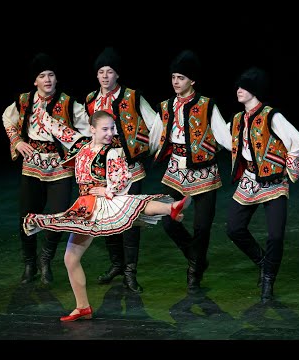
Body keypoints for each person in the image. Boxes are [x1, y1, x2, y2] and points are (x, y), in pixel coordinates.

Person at [23, 110, 191, 322]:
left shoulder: (112, 152)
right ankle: (82, 307)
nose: (110, 133)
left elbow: (122, 177)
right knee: (70, 259)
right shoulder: (81, 144)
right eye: (105, 129)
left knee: (131, 203)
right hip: (84, 206)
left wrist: (108, 190)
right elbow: (61, 131)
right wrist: (39, 112)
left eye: (112, 129)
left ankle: (172, 208)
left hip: (100, 203)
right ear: (92, 129)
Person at [2, 52, 90, 285]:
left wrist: (73, 148)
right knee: (26, 214)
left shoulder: (69, 103)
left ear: (56, 78)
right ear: (35, 81)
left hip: (59, 167)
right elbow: (7, 118)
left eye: (51, 75)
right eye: (42, 76)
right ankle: (29, 263)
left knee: (58, 215)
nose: (48, 79)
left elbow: (86, 132)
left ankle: (45, 259)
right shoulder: (24, 101)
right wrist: (17, 141)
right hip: (32, 165)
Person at [149, 49, 232, 294]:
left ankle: (194, 271)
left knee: (202, 227)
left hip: (204, 172)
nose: (176, 82)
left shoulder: (206, 105)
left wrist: (248, 152)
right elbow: (155, 136)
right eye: (174, 77)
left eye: (181, 78)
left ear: (192, 81)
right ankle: (196, 257)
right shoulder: (165, 106)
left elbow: (224, 137)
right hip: (176, 169)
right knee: (168, 220)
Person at [226, 66, 299, 303]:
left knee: (275, 236)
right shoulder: (238, 118)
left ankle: (268, 279)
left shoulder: (272, 116)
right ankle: (263, 262)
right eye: (239, 86)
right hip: (250, 181)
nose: (238, 90)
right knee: (234, 228)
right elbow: (230, 141)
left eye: (244, 87)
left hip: (273, 182)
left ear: (255, 91)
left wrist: (288, 171)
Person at [85, 47, 157, 293]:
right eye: (101, 72)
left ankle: (130, 272)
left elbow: (155, 123)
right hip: (103, 170)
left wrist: (144, 148)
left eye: (110, 71)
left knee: (131, 218)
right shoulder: (91, 100)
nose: (105, 76)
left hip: (128, 167)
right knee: (106, 216)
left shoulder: (132, 97)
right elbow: (88, 131)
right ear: (97, 75)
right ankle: (117, 264)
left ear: (117, 74)